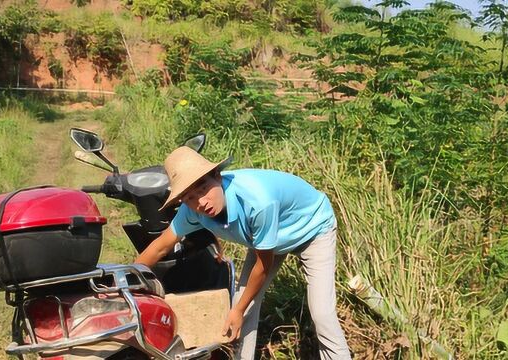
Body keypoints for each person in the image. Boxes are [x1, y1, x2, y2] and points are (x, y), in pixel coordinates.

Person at [135, 146, 351, 360]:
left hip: (313, 229)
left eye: (203, 189)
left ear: (217, 176)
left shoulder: (256, 201)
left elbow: (263, 265)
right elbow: (160, 246)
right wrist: (129, 278)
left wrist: (238, 310)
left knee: (322, 314)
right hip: (266, 240)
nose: (201, 202)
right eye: (190, 197)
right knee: (242, 305)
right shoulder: (192, 211)